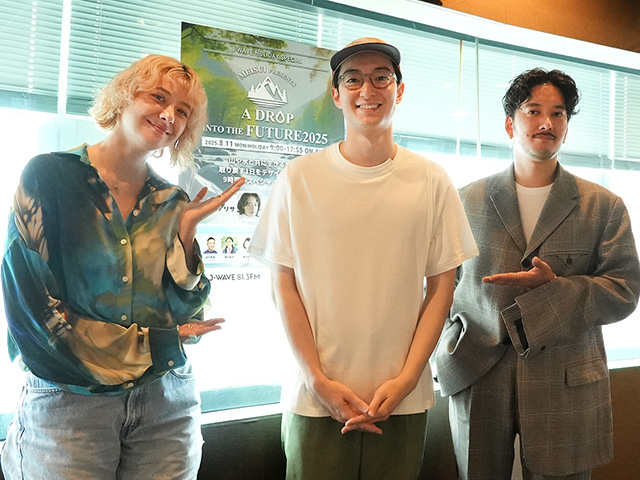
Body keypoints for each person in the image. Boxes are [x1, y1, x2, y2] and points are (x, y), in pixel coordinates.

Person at [0, 55, 245, 480]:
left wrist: (186, 236)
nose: (169, 116)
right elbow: (34, 316)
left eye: (183, 111)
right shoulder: (50, 177)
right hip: (71, 403)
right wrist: (159, 344)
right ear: (124, 96)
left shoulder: (172, 201)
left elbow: (185, 316)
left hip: (165, 402)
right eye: (159, 97)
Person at [249, 37, 477, 479]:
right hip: (314, 400)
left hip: (401, 399)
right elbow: (282, 284)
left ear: (399, 90)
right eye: (353, 79)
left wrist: (408, 379)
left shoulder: (432, 181)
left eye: (381, 78)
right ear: (336, 94)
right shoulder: (299, 178)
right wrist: (316, 379)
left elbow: (442, 289)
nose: (367, 90)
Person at [434, 68, 640, 480]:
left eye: (558, 114)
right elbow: (440, 286)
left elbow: (625, 290)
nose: (546, 122)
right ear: (510, 124)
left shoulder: (604, 205)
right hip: (477, 369)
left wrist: (556, 291)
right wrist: (446, 345)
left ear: (566, 127)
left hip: (565, 376)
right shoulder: (464, 200)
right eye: (533, 111)